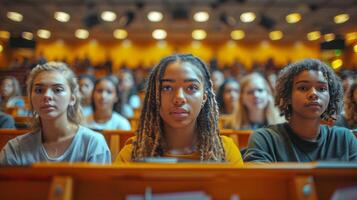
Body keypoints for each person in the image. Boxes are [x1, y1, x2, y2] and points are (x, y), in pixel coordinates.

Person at [116, 54, 243, 165]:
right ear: (154, 96)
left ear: (204, 97)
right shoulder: (133, 154)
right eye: (167, 88)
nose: (179, 98)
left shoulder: (225, 152)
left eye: (191, 87)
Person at [244, 58, 357, 162]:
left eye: (322, 89)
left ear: (330, 96)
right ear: (287, 96)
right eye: (303, 88)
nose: (313, 94)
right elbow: (258, 183)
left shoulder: (344, 138)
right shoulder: (265, 139)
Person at [0, 62, 111, 165]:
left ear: (72, 98)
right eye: (39, 90)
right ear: (30, 98)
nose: (47, 96)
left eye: (57, 90)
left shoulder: (94, 144)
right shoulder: (15, 148)